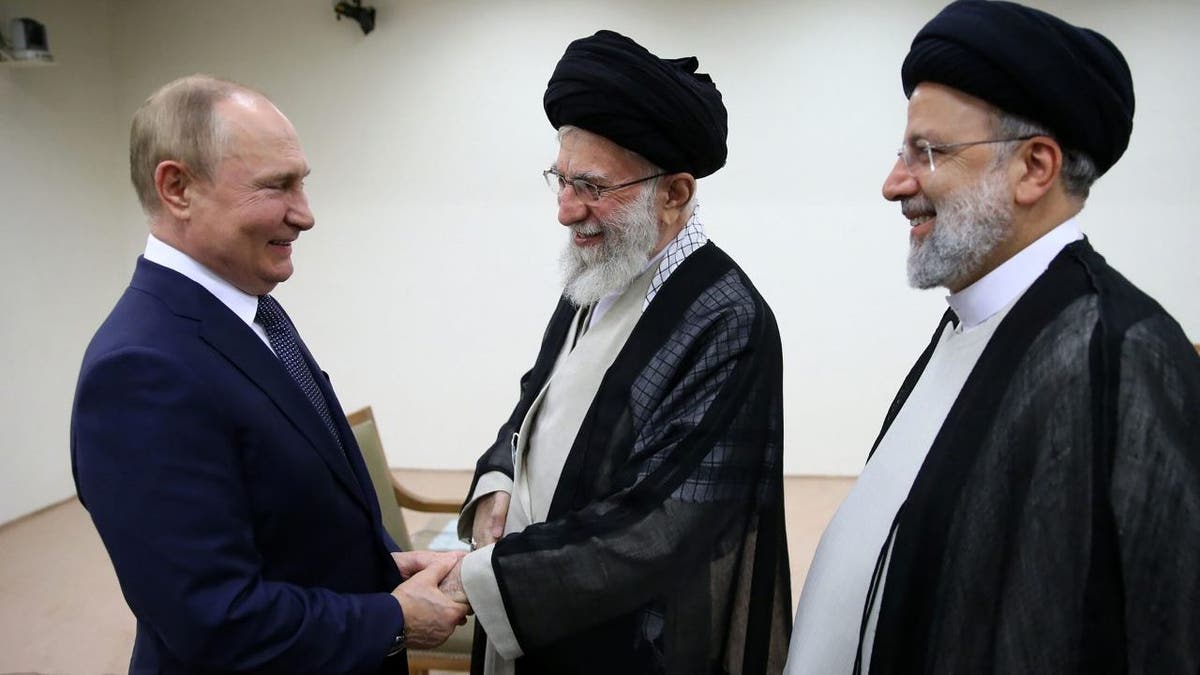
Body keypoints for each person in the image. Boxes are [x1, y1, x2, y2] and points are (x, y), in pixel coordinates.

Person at [786, 2, 1200, 673]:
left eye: (928, 152)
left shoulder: (1121, 353)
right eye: (902, 151)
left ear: (1035, 168)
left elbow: (1157, 630)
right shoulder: (969, 321)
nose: (895, 183)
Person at [70, 75, 468, 675]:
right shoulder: (140, 372)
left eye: (301, 182)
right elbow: (213, 617)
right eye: (277, 186)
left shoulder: (250, 305)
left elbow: (291, 511)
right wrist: (394, 620)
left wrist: (384, 569)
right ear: (177, 188)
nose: (304, 215)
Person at [438, 30, 791, 675]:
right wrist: (497, 485)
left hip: (630, 642)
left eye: (593, 188)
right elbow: (535, 404)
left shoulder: (726, 319)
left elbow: (666, 520)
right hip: (532, 597)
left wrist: (485, 579)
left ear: (675, 193)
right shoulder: (598, 272)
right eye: (562, 180)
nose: (567, 211)